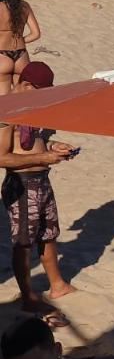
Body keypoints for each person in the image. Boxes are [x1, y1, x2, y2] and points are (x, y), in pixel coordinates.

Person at [0, 63, 77, 327]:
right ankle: (28, 297)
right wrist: (44, 157)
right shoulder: (7, 112)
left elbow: (37, 141)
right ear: (28, 86)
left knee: (48, 234)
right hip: (21, 185)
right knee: (23, 242)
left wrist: (56, 147)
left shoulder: (31, 108)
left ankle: (58, 285)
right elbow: (2, 157)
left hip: (42, 181)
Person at [0, 0, 39, 94]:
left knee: (4, 101)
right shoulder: (23, 6)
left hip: (1, 54)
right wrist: (21, 40)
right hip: (21, 55)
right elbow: (36, 34)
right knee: (20, 99)